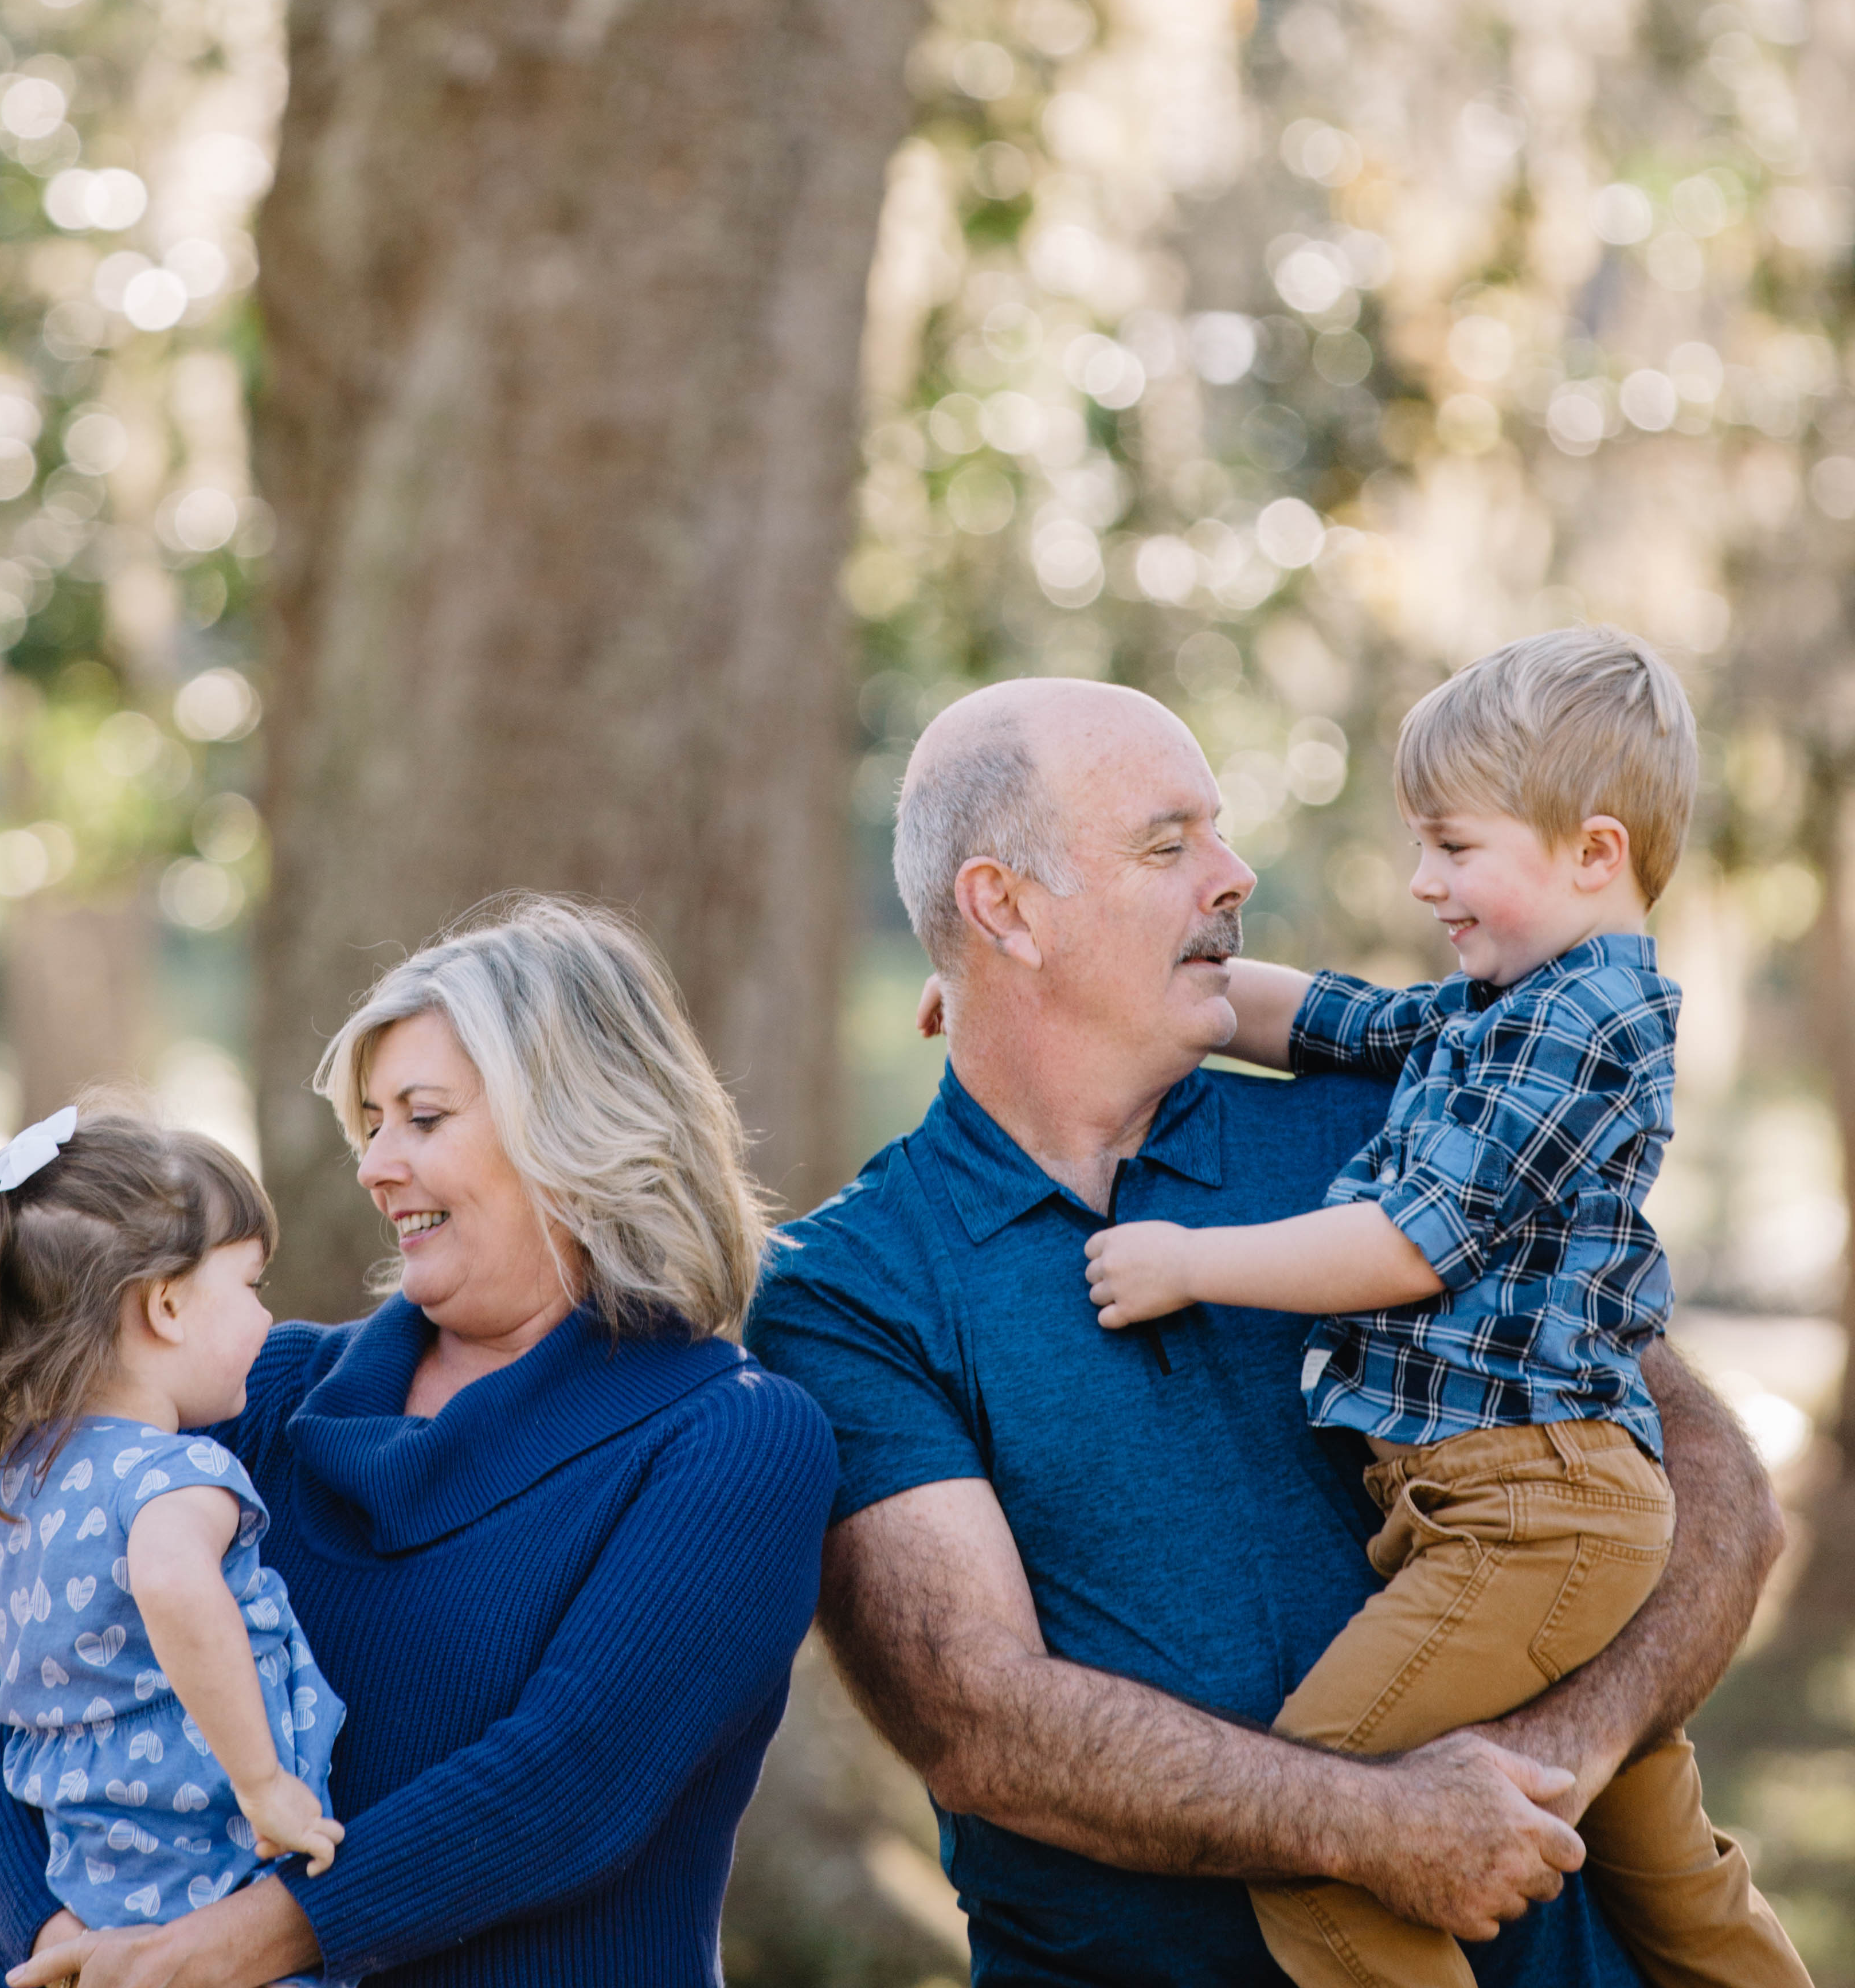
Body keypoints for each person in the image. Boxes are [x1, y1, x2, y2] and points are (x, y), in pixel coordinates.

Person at [747, 677, 1788, 1988]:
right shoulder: (856, 1288)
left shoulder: (1389, 1124)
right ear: (1002, 907)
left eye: (1220, 834)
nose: (1232, 875)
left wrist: (1568, 1752)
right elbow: (983, 1720)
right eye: (1168, 844)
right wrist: (1382, 1829)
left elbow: (1712, 1484)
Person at [1078, 631, 1805, 1988]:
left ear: (1594, 854)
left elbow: (1415, 1243)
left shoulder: (1578, 1024)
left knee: (1323, 1847)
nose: (1426, 882)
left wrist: (1192, 1262)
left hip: (1532, 1518)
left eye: (1456, 849)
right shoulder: (1511, 1004)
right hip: (1533, 1507)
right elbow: (1327, 1019)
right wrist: (1069, 976)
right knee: (1674, 1885)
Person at [0, 898, 838, 1988]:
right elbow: (27, 1680)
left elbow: (569, 1782)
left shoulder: (729, 1441)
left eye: (422, 1118)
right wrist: (60, 1945)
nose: (373, 1166)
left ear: (574, 1127)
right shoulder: (260, 1395)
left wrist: (226, 1950)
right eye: (370, 1123)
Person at [0, 1105, 345, 1932]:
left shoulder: (21, 1492)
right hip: (220, 1871)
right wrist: (262, 1786)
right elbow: (169, 1581)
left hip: (97, 1886)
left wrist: (73, 1718)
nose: (267, 1318)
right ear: (165, 1307)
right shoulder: (175, 1475)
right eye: (251, 1284)